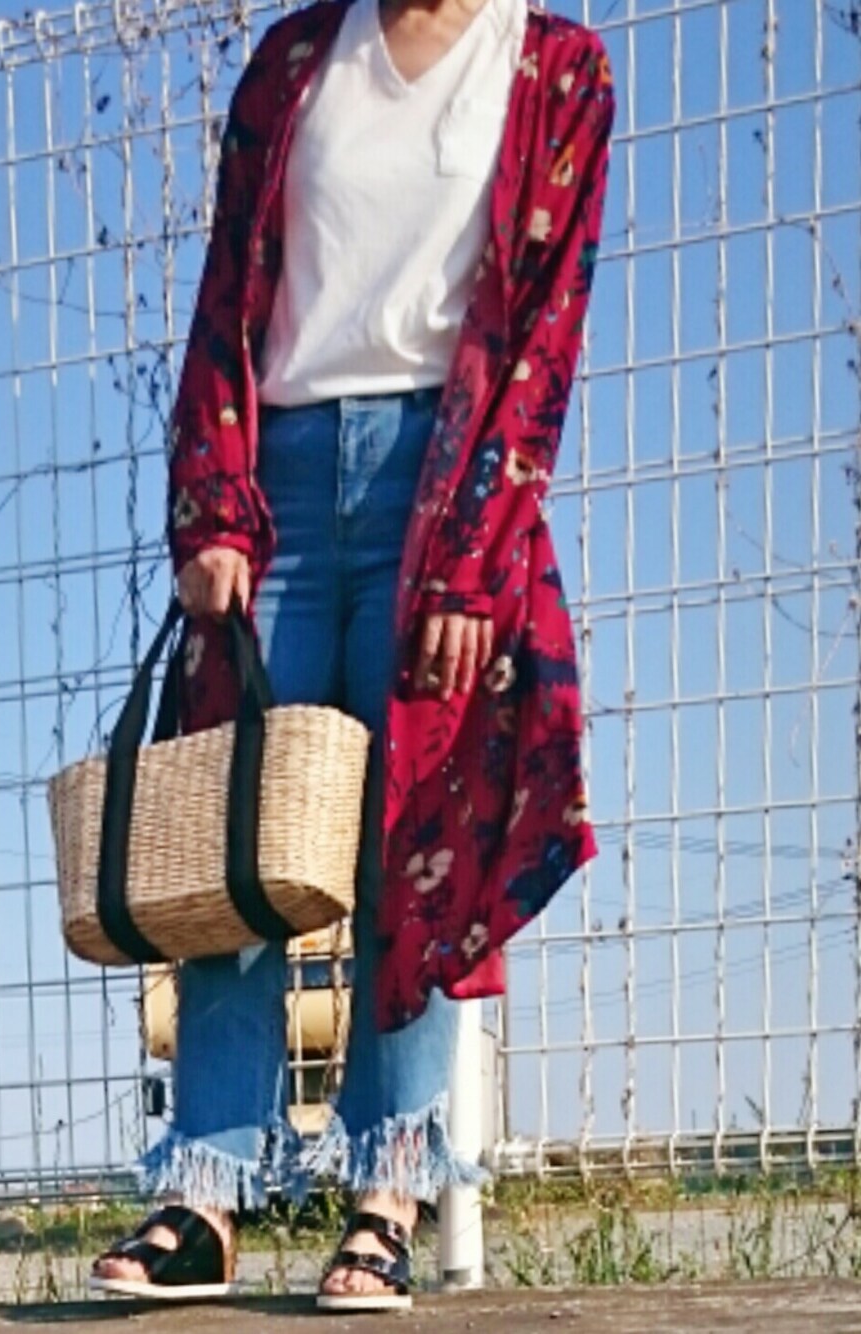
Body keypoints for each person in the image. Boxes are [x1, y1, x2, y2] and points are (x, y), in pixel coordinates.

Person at [91, 0, 614, 1312]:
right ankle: (204, 1192)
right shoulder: (290, 62)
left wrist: (480, 552)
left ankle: (386, 1194)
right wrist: (211, 506)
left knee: (415, 840)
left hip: (438, 484)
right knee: (236, 837)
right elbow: (227, 291)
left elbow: (545, 337)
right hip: (278, 477)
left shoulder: (555, 68)